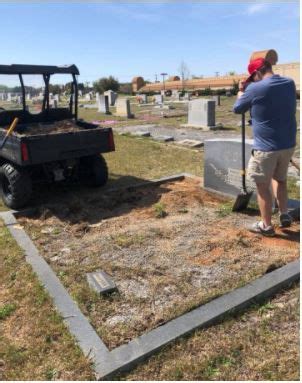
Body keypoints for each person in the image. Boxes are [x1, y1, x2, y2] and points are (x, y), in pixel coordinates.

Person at [233, 57, 297, 237]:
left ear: (257, 73)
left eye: (252, 77)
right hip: (287, 144)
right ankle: (284, 213)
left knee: (263, 186)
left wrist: (240, 92)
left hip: (266, 148)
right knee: (281, 179)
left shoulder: (255, 88)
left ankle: (266, 226)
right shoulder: (289, 83)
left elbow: (238, 109)